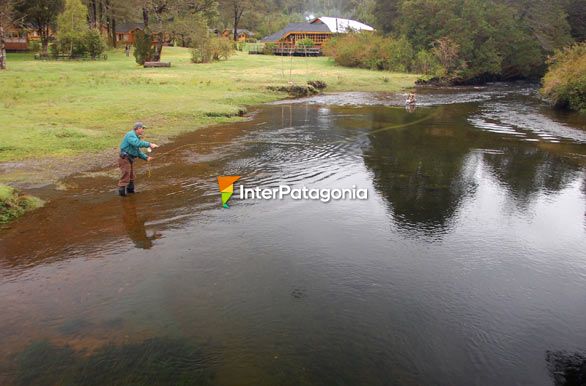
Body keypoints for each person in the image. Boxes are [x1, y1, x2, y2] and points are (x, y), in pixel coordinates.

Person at [117, 122, 158, 197]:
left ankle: (131, 193)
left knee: (131, 176)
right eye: (142, 128)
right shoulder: (130, 135)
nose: (143, 130)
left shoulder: (136, 137)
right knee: (126, 174)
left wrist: (146, 158)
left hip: (130, 159)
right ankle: (122, 196)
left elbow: (137, 151)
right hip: (124, 159)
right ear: (138, 128)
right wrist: (150, 144)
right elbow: (137, 143)